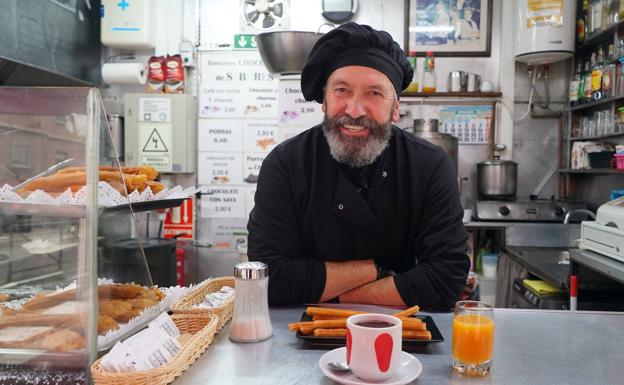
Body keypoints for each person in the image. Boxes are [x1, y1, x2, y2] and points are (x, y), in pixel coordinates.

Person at [247, 22, 469, 310]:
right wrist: (376, 272)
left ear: (395, 108)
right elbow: (268, 277)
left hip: (401, 336)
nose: (354, 110)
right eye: (342, 90)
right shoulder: (287, 164)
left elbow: (446, 279)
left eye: (374, 94)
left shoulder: (427, 165)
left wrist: (339, 297)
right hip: (296, 336)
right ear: (324, 101)